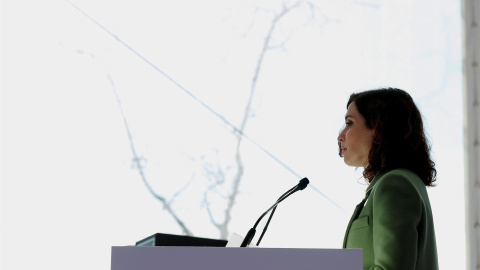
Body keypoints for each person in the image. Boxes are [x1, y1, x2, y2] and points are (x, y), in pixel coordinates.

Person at [337, 88, 439, 270]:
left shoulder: (394, 185)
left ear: (379, 127)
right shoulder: (399, 181)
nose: (340, 136)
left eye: (349, 123)